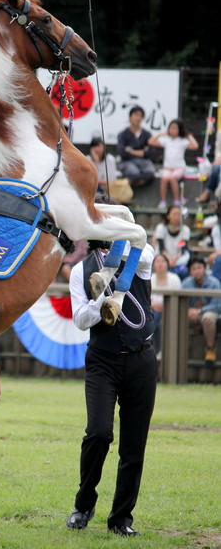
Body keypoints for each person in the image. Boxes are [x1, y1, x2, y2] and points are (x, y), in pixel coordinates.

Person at [66, 235, 157, 537]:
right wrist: (101, 304)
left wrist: (118, 253)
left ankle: (121, 519)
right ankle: (84, 504)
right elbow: (80, 320)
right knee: (99, 433)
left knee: (134, 444)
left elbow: (146, 255)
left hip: (141, 359)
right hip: (103, 361)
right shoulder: (81, 271)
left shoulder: (139, 255)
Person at [148, 118, 198, 209]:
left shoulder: (182, 141)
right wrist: (160, 134)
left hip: (179, 168)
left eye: (175, 128)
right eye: (171, 128)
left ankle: (176, 200)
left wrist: (188, 135)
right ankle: (162, 201)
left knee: (172, 178)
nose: (172, 130)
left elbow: (195, 146)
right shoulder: (166, 140)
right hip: (167, 167)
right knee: (164, 178)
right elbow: (151, 142)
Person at [182, 256, 221, 364]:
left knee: (208, 318)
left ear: (205, 269)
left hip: (210, 312)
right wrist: (189, 311)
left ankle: (210, 350)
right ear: (190, 271)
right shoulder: (186, 283)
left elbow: (216, 305)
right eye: (193, 268)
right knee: (178, 318)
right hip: (191, 313)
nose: (197, 271)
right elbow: (182, 303)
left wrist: (199, 311)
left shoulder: (214, 282)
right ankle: (180, 350)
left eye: (199, 268)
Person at [151, 253, 182, 359]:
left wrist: (166, 305)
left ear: (167, 264)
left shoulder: (175, 278)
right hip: (153, 309)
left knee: (161, 322)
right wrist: (153, 305)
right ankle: (154, 350)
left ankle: (162, 350)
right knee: (154, 319)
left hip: (171, 309)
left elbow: (178, 297)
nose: (160, 264)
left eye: (163, 261)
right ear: (154, 265)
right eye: (157, 262)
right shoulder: (150, 279)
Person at [117, 106, 155, 187]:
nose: (138, 118)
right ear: (130, 117)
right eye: (136, 115)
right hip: (127, 162)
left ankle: (132, 185)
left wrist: (131, 151)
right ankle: (131, 185)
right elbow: (122, 153)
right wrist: (142, 152)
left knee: (150, 172)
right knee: (134, 174)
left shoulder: (147, 134)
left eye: (140, 116)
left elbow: (151, 152)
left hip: (143, 162)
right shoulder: (122, 134)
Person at [153, 204, 191, 279]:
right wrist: (169, 260)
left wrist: (174, 260)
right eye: (174, 214)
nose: (177, 217)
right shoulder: (161, 228)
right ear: (168, 216)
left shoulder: (185, 230)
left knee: (183, 271)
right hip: (164, 260)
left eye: (179, 214)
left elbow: (182, 248)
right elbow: (162, 248)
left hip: (178, 261)